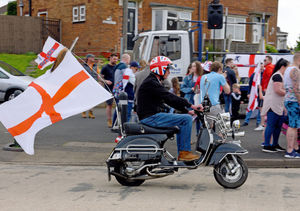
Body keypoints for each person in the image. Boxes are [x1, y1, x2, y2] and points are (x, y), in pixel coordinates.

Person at [137, 56, 203, 161]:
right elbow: (170, 97)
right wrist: (192, 106)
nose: (169, 72)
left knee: (184, 117)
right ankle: (184, 153)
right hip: (151, 117)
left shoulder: (153, 81)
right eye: (167, 69)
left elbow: (167, 101)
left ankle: (183, 152)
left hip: (151, 115)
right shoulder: (152, 82)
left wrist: (187, 110)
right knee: (186, 119)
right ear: (160, 69)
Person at [261, 58, 289, 153]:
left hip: (278, 105)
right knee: (271, 125)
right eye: (287, 67)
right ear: (283, 67)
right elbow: (278, 90)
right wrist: (289, 92)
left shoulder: (280, 76)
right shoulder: (277, 76)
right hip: (273, 105)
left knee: (277, 126)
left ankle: (275, 144)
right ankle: (267, 145)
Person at [283, 53, 300, 158]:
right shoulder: (295, 70)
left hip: (290, 100)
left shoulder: (288, 69)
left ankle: (294, 148)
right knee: (293, 126)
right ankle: (290, 150)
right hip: (294, 101)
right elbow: (296, 88)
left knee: (294, 125)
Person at [181, 61, 203, 136]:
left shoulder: (202, 77)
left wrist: (201, 90)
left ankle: (200, 138)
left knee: (200, 120)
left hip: (198, 100)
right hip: (189, 100)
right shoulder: (188, 77)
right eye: (192, 66)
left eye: (194, 66)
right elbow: (182, 88)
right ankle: (187, 138)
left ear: (198, 67)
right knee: (188, 120)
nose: (192, 68)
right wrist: (191, 89)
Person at [242, 63, 264, 128]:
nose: (261, 68)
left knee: (260, 107)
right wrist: (248, 93)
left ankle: (258, 122)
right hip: (253, 93)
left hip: (260, 93)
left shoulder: (264, 75)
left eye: (262, 67)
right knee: (250, 106)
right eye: (260, 67)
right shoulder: (254, 75)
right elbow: (250, 84)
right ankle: (246, 121)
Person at [112, 54, 131, 125]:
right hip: (121, 90)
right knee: (122, 108)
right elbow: (128, 78)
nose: (129, 61)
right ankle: (117, 124)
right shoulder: (124, 67)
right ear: (126, 59)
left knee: (118, 107)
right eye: (129, 59)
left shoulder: (117, 66)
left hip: (115, 89)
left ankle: (114, 123)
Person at [101, 53, 118, 127]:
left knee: (118, 105)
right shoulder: (105, 67)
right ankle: (109, 120)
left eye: (117, 59)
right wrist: (106, 81)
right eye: (114, 59)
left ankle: (117, 120)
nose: (115, 60)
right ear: (110, 58)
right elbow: (100, 77)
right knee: (109, 105)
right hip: (109, 88)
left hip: (117, 88)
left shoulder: (117, 67)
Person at [82, 54, 100, 119]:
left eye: (94, 57)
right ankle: (83, 112)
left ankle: (90, 112)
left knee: (92, 99)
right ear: (88, 58)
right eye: (92, 57)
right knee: (85, 98)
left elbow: (98, 75)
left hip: (94, 84)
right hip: (85, 84)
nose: (93, 58)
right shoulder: (83, 66)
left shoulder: (95, 66)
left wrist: (99, 82)